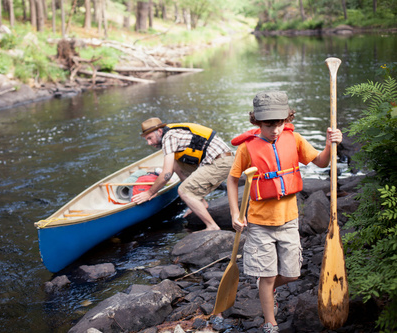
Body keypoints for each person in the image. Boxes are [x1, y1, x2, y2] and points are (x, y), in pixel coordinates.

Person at [227, 91, 342, 333]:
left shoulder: (295, 139)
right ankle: (270, 323)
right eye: (269, 124)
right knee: (268, 276)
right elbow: (232, 179)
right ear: (257, 122)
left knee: (291, 274)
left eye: (279, 123)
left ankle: (267, 287)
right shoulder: (247, 148)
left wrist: (330, 143)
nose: (275, 129)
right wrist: (236, 213)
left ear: (286, 119)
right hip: (259, 223)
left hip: (289, 220)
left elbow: (322, 162)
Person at [132, 117, 234, 231]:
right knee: (175, 162)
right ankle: (200, 200)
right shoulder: (171, 133)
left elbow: (167, 174)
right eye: (147, 140)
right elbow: (171, 167)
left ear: (160, 132)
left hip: (221, 162)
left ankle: (212, 226)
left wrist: (150, 192)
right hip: (216, 160)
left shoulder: (169, 138)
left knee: (183, 191)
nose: (149, 143)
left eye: (150, 138)